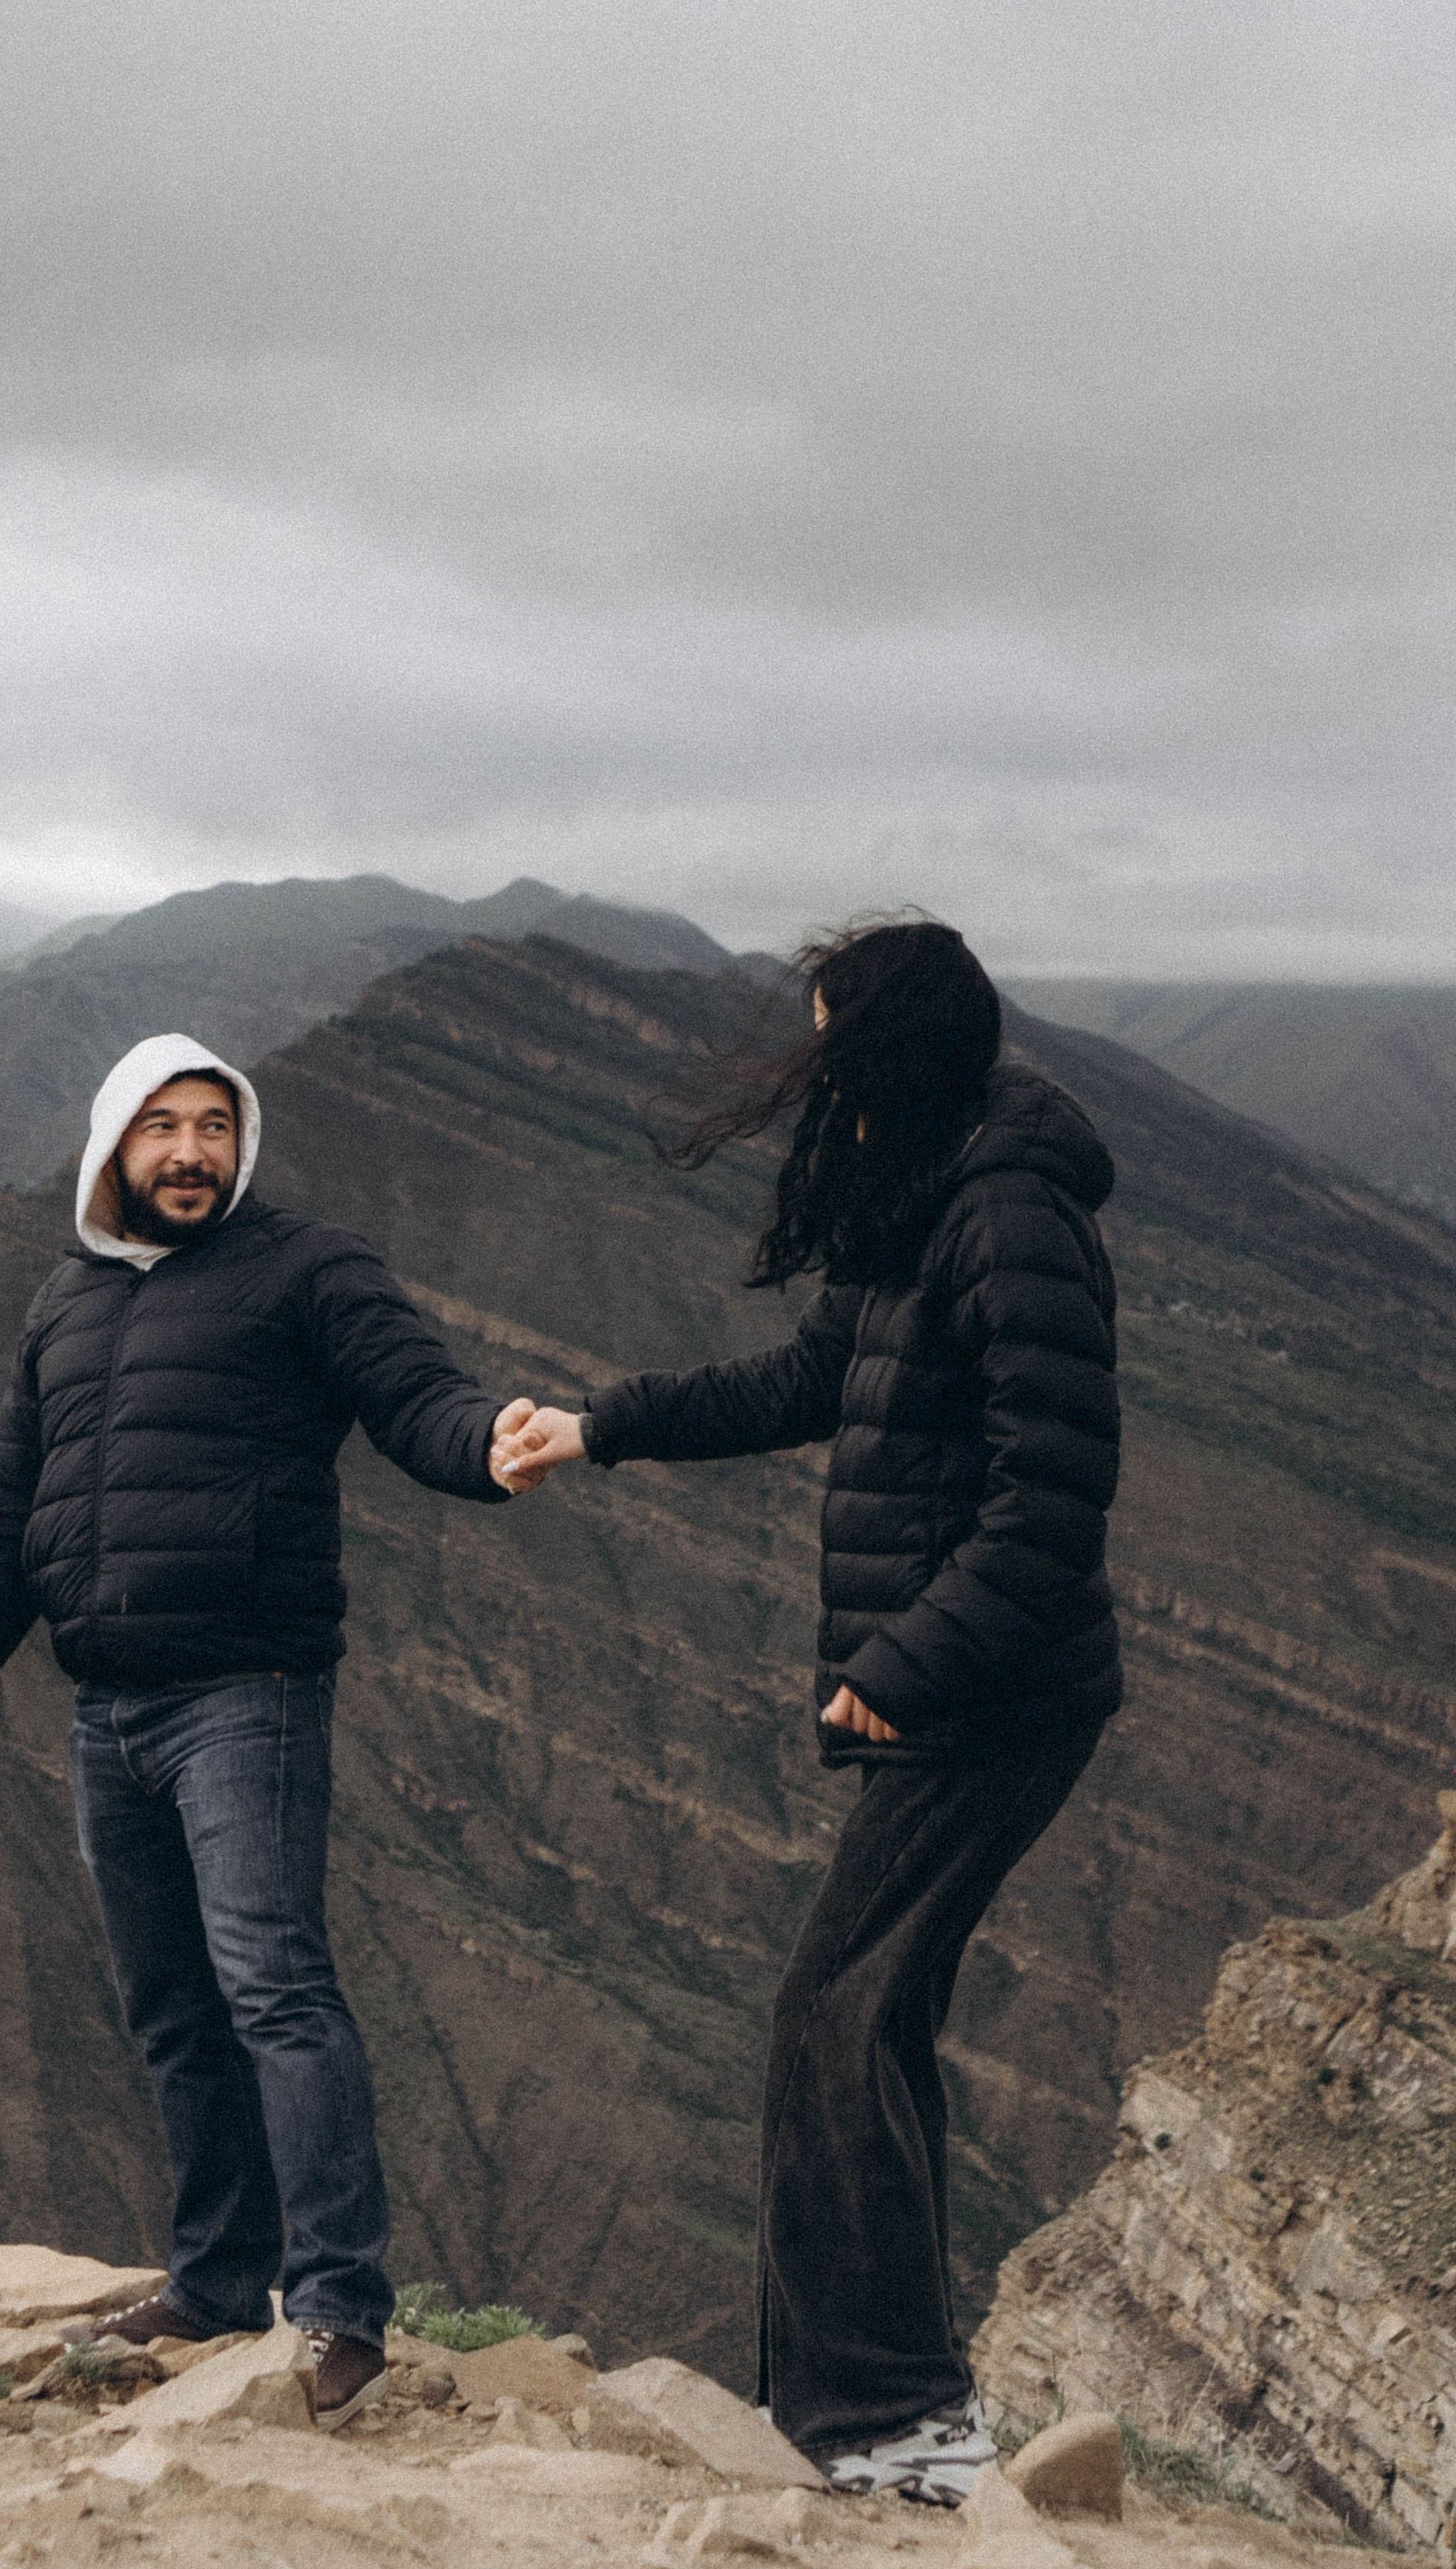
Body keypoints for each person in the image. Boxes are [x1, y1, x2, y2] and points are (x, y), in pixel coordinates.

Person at [496, 918, 1121, 2506]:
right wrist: (599, 1426)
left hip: (997, 1698)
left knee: (832, 2019)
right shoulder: (922, 1200)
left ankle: (897, 2421)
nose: (819, 1077)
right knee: (867, 2022)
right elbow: (801, 1383)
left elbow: (1051, 1504)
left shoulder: (1009, 1215)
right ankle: (864, 2411)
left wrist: (903, 1666)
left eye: (839, 1043)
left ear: (898, 1051)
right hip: (961, 1688)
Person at [0, 1032, 539, 2430]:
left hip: (246, 1695)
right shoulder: (65, 1305)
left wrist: (488, 1441)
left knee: (275, 1991)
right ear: (113, 1146)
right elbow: (13, 1512)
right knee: (175, 2011)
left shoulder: (305, 1267)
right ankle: (213, 2281)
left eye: (213, 1126)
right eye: (162, 1127)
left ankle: (339, 2304)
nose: (191, 1152)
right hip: (106, 1712)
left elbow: (415, 1395)